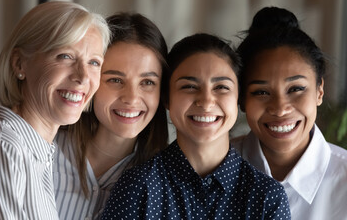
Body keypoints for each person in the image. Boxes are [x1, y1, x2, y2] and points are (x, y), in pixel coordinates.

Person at [101, 33, 291, 219]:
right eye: (189, 87)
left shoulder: (267, 198)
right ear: (167, 98)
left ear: (238, 99)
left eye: (221, 87)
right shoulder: (137, 187)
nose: (207, 102)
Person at [0, 1, 110, 220]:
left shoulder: (37, 150)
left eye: (94, 62)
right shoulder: (4, 145)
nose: (82, 77)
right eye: (65, 56)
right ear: (19, 64)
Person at [232, 6, 347, 219]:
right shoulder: (211, 171)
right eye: (261, 92)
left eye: (295, 89)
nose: (280, 108)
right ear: (241, 99)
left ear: (319, 91)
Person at [53, 12, 169, 220]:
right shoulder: (44, 150)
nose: (132, 98)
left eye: (147, 82)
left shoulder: (164, 182)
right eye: (115, 80)